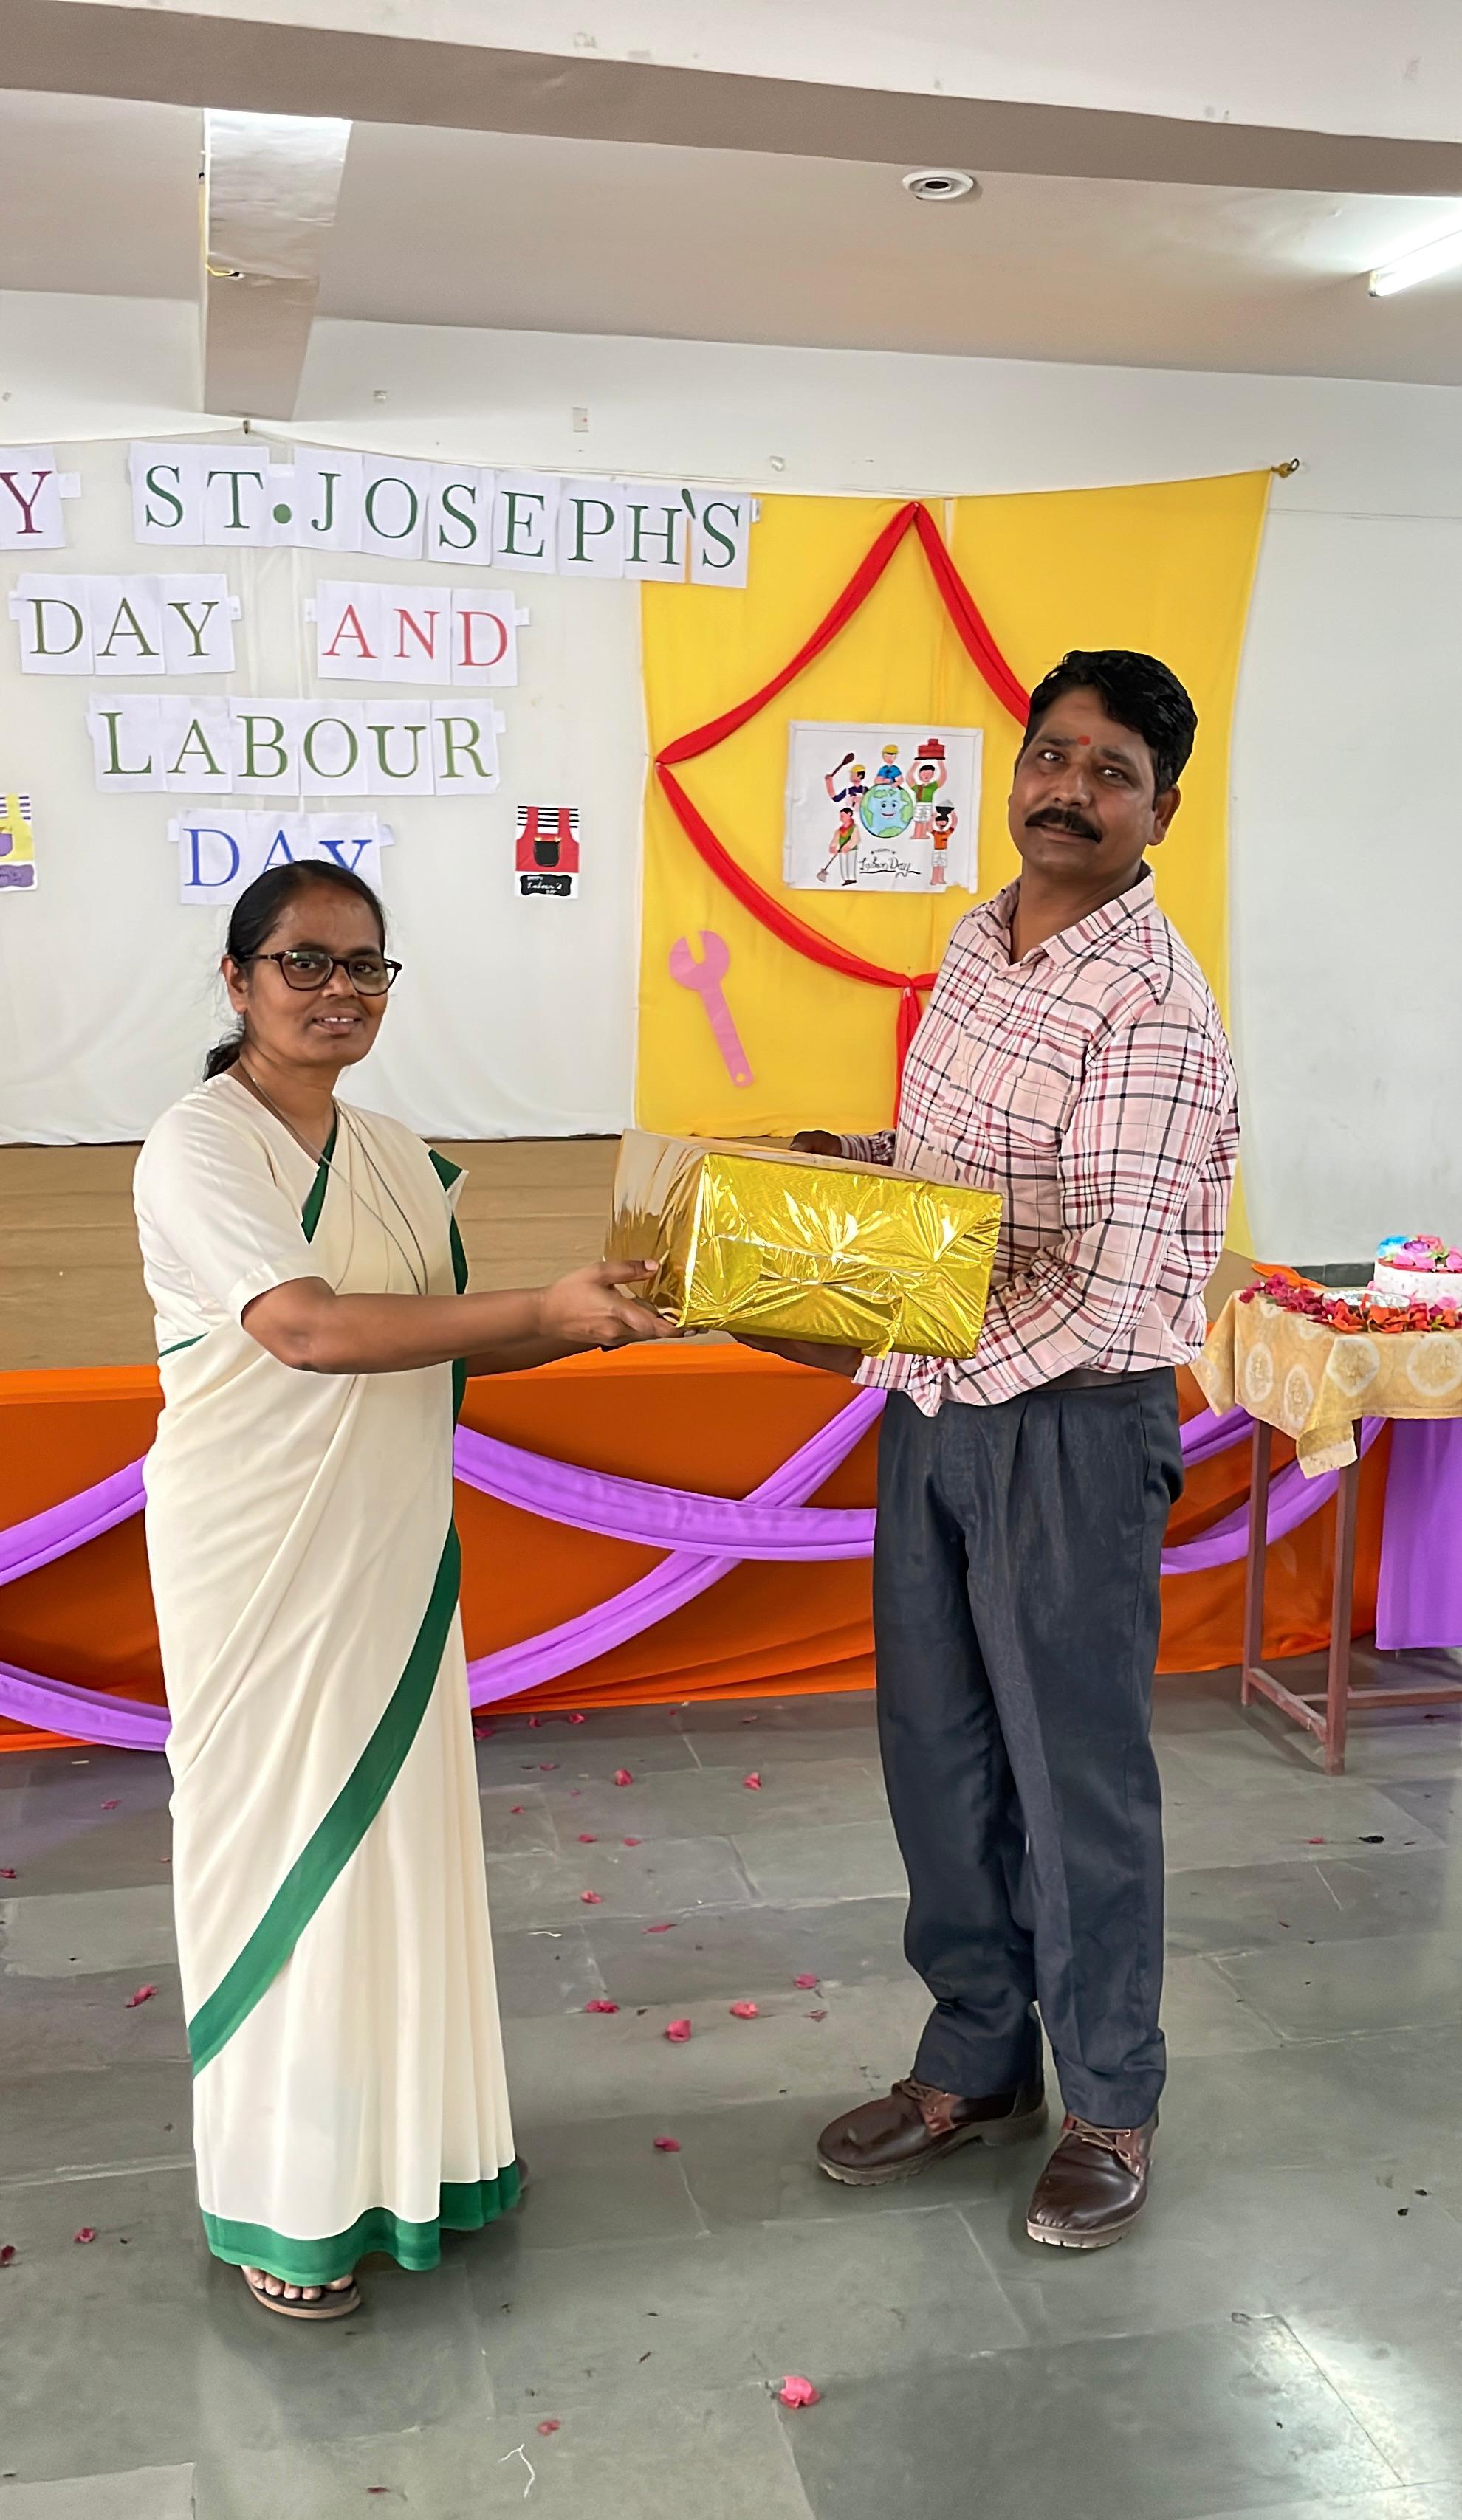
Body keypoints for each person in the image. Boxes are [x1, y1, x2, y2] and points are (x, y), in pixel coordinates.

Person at [133, 859, 670, 2321]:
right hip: (257, 1551)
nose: (339, 991)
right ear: (238, 979)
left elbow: (444, 1337)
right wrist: (541, 1304)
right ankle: (288, 2200)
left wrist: (587, 1317)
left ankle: (423, 2160)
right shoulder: (195, 1144)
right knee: (280, 1854)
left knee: (397, 1845)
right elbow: (305, 1330)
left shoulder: (392, 1151)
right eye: (303, 962)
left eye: (364, 965)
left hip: (388, 1540)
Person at [775, 650, 1238, 2251]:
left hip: (1069, 1428)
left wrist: (880, 1346)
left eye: (1112, 773)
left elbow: (1103, 1289)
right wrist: (837, 1173)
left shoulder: (1154, 1006)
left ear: (1160, 812)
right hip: (938, 1410)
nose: (1069, 790)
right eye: (1053, 756)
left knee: (1071, 1774)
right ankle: (977, 2058)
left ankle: (1109, 2096)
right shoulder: (981, 946)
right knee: (940, 1748)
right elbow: (951, 1178)